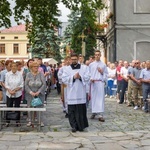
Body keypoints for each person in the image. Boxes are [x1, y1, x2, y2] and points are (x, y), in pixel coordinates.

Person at [62, 53, 90, 132]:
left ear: (78, 59)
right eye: (72, 59)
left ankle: (81, 126)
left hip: (81, 92)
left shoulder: (84, 68)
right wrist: (73, 77)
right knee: (72, 111)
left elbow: (88, 77)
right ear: (70, 60)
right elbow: (64, 79)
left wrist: (80, 77)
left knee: (80, 110)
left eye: (75, 59)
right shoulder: (67, 69)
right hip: (71, 92)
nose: (74, 60)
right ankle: (73, 126)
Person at [25, 61, 46, 127]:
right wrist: (31, 92)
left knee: (39, 107)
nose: (36, 68)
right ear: (31, 67)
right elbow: (26, 85)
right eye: (35, 67)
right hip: (30, 94)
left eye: (37, 66)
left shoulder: (41, 74)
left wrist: (38, 92)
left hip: (39, 94)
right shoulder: (28, 74)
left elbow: (44, 84)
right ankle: (30, 121)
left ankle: (40, 121)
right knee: (30, 107)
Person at [89, 50, 108, 122]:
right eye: (96, 55)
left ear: (100, 55)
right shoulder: (91, 65)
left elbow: (106, 74)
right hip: (93, 83)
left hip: (100, 82)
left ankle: (100, 114)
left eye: (98, 55)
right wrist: (91, 79)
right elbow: (88, 74)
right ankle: (94, 112)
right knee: (93, 98)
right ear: (94, 55)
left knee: (100, 98)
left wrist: (102, 72)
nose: (97, 56)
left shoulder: (103, 65)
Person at [5, 62, 24, 127]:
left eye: (15, 66)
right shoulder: (7, 74)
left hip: (17, 93)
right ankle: (7, 121)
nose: (13, 67)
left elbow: (21, 84)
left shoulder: (20, 74)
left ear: (17, 67)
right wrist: (10, 90)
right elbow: (6, 84)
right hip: (9, 93)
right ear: (10, 67)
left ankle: (17, 121)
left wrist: (15, 90)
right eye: (12, 66)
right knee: (9, 106)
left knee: (17, 107)